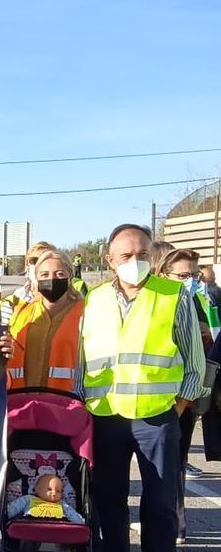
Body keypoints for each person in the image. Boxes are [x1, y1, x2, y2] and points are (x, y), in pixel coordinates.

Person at [81, 224, 206, 552]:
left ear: (152, 257)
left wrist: (177, 407)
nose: (135, 260)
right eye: (126, 255)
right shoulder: (94, 300)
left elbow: (195, 361)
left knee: (161, 506)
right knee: (108, 502)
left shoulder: (173, 294)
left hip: (158, 418)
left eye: (142, 254)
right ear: (110, 259)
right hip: (106, 416)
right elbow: (84, 359)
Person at [155, 247, 212, 544]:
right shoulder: (154, 302)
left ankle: (177, 524)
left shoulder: (197, 300)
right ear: (164, 273)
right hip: (152, 398)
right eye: (183, 274)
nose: (190, 280)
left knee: (176, 461)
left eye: (194, 274)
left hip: (184, 398)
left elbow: (207, 348)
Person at [5, 250, 82, 392]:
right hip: (23, 401)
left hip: (67, 403)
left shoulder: (85, 313)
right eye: (44, 274)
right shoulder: (21, 312)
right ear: (36, 278)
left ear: (70, 276)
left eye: (60, 274)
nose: (51, 279)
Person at [1, 242, 56, 328]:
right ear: (27, 265)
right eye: (35, 260)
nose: (39, 265)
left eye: (45, 260)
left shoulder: (67, 301)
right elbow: (2, 336)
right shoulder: (12, 302)